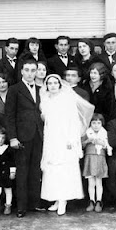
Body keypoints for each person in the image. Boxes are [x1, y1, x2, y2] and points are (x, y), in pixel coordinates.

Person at [40, 74, 94, 216]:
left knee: (64, 169)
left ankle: (63, 200)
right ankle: (56, 199)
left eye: (55, 83)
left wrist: (71, 140)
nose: (52, 86)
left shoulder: (67, 100)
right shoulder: (45, 100)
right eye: (49, 83)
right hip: (51, 139)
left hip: (65, 140)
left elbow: (73, 121)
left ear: (60, 84)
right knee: (52, 169)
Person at [5, 58, 44, 218]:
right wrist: (13, 137)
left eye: (33, 70)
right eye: (26, 70)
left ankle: (34, 203)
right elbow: (9, 116)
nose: (30, 73)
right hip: (22, 137)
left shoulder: (41, 89)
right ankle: (21, 206)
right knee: (22, 171)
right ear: (21, 71)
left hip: (39, 135)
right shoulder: (15, 89)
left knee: (35, 170)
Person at [82, 114, 112, 213]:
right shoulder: (87, 133)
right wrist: (88, 141)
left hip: (100, 158)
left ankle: (99, 201)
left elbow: (107, 146)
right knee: (91, 182)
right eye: (94, 123)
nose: (96, 125)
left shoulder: (104, 134)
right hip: (90, 157)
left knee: (99, 182)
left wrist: (102, 143)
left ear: (101, 124)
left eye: (98, 123)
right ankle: (91, 200)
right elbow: (81, 145)